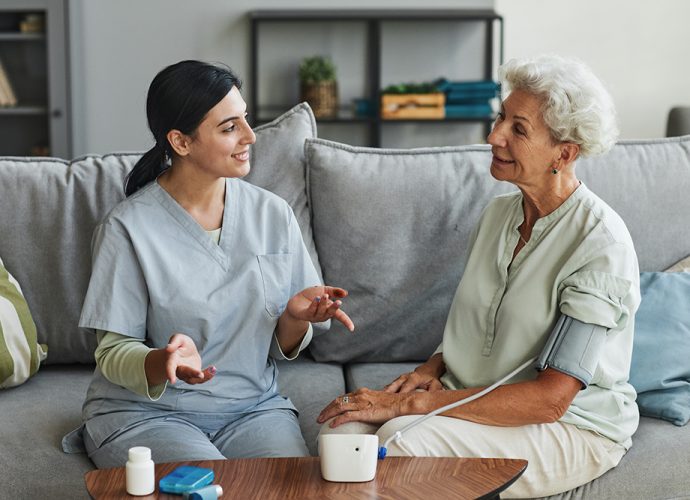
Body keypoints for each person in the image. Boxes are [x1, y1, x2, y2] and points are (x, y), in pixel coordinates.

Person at [317, 55, 640, 498]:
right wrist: (432, 367)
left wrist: (411, 404)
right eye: (499, 119)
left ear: (564, 154)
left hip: (571, 427)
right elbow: (481, 322)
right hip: (472, 396)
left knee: (398, 443)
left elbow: (552, 399)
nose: (494, 137)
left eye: (518, 129)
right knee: (340, 436)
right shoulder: (498, 216)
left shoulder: (600, 245)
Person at [63, 60, 354, 468]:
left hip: (253, 411)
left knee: (290, 492)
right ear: (181, 142)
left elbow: (275, 344)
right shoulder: (127, 228)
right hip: (149, 415)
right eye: (229, 127)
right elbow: (113, 352)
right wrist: (162, 362)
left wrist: (294, 317)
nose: (251, 137)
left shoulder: (273, 214)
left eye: (246, 120)